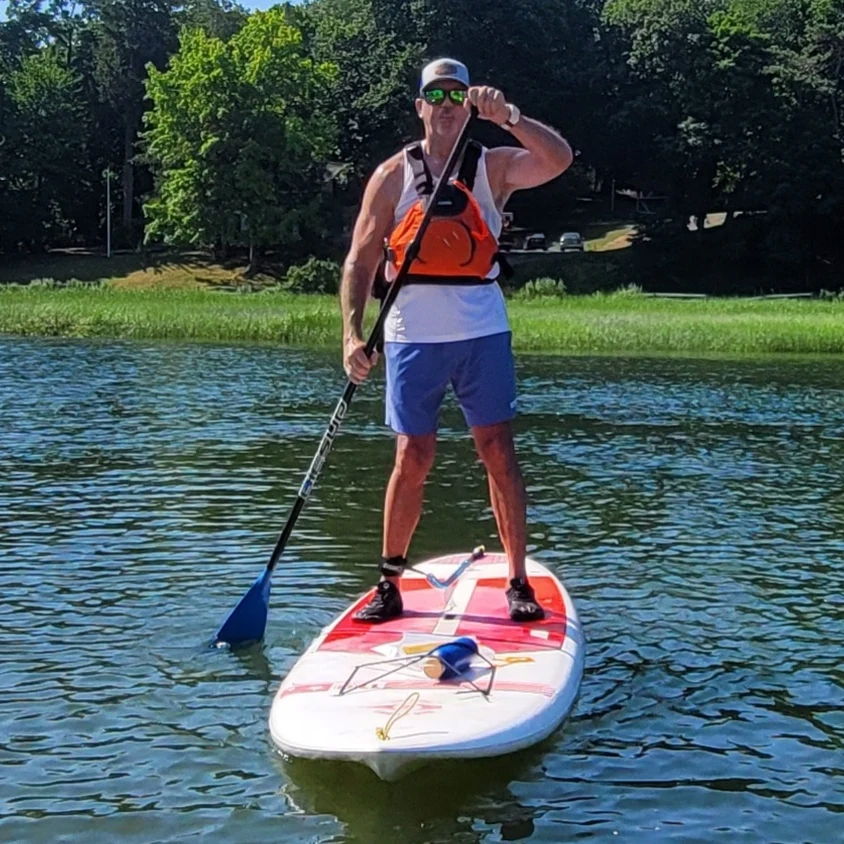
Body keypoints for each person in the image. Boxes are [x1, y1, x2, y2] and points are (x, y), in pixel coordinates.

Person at [340, 58, 573, 623]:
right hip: (411, 334)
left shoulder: (492, 166)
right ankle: (389, 580)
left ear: (466, 104)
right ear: (420, 106)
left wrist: (510, 116)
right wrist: (351, 333)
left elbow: (558, 160)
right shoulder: (392, 174)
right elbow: (361, 257)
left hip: (480, 330)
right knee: (412, 457)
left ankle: (518, 579)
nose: (445, 107)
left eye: (456, 96)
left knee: (498, 451)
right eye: (434, 96)